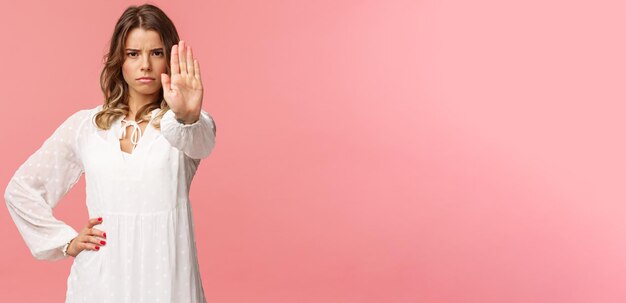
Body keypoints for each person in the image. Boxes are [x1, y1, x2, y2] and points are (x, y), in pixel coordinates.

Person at [4, 4, 216, 302]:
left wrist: (188, 115)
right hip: (100, 281)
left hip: (166, 278)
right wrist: (66, 242)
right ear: (120, 61)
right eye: (133, 54)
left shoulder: (182, 125)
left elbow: (200, 143)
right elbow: (21, 189)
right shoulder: (86, 126)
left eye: (156, 53)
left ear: (169, 59)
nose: (145, 65)